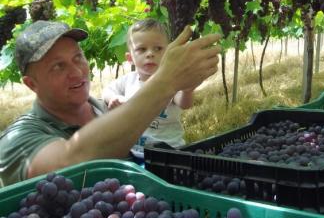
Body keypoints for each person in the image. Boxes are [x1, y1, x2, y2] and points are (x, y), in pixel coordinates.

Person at [0, 20, 221, 187]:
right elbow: (71, 164)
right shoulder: (17, 141)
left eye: (78, 58)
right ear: (31, 84)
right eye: (58, 66)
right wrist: (166, 81)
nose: (77, 72)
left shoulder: (107, 110)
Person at [102, 19, 194, 159]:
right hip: (134, 152)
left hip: (169, 154)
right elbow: (107, 91)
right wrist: (114, 98)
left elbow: (184, 103)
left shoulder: (171, 80)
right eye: (142, 49)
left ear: (168, 53)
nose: (150, 54)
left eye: (158, 48)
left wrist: (188, 90)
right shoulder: (128, 81)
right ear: (130, 58)